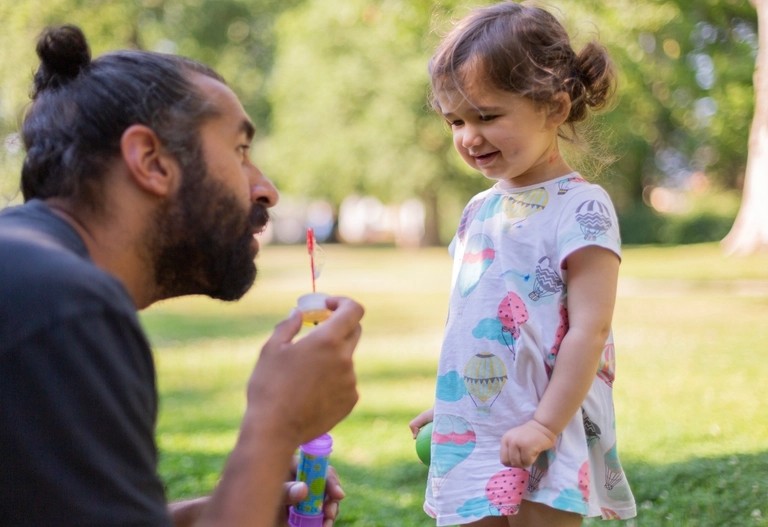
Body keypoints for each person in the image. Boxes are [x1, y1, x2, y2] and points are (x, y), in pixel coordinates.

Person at [0, 24, 363, 527]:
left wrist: (223, 508)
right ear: (151, 161)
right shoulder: (66, 309)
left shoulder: (27, 272)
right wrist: (276, 424)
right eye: (240, 151)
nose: (266, 190)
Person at [408, 2, 637, 526]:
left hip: (547, 421)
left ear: (554, 109)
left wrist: (545, 426)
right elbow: (475, 326)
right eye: (455, 120)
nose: (469, 137)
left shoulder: (580, 207)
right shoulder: (477, 210)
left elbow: (589, 329)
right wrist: (454, 406)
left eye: (487, 116)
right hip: (478, 422)